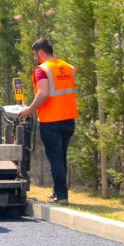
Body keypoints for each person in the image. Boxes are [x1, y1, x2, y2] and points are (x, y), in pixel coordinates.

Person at [18, 39, 77, 206]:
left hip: (51, 120)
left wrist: (29, 110)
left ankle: (62, 196)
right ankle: (57, 192)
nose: (35, 58)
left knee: (56, 159)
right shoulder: (64, 66)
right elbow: (73, 70)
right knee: (61, 157)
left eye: (35, 54)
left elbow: (43, 93)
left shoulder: (41, 70)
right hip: (68, 119)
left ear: (41, 53)